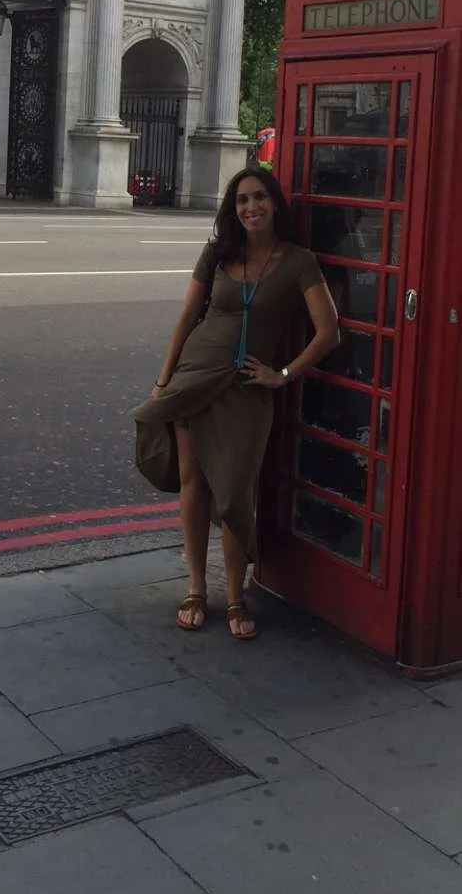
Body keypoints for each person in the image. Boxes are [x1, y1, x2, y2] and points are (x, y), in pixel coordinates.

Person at [132, 168, 339, 640]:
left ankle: (235, 595)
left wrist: (282, 374)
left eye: (259, 198)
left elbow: (329, 333)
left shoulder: (298, 262)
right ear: (233, 209)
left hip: (247, 388)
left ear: (275, 204)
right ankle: (196, 589)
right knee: (194, 485)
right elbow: (188, 316)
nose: (251, 208)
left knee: (234, 493)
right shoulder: (217, 251)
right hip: (196, 375)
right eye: (242, 200)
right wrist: (165, 381)